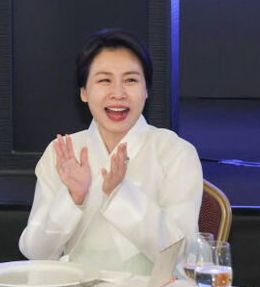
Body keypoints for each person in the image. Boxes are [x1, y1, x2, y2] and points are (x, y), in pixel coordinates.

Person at [18, 28, 203, 274]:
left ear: (146, 90)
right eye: (105, 80)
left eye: (130, 80)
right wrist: (72, 197)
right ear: (84, 92)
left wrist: (120, 193)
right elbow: (35, 252)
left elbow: (183, 254)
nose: (118, 94)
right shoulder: (62, 153)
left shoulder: (175, 153)